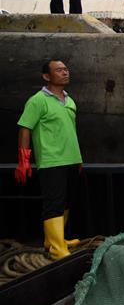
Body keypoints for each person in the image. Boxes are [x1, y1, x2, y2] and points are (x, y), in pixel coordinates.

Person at [15, 60, 84, 259]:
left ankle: (55, 239)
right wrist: (24, 160)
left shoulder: (69, 100)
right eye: (59, 70)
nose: (65, 73)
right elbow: (25, 128)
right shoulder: (38, 100)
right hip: (52, 160)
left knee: (67, 201)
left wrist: (78, 158)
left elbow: (70, 132)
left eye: (66, 69)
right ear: (47, 76)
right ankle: (56, 247)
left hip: (71, 159)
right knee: (54, 202)